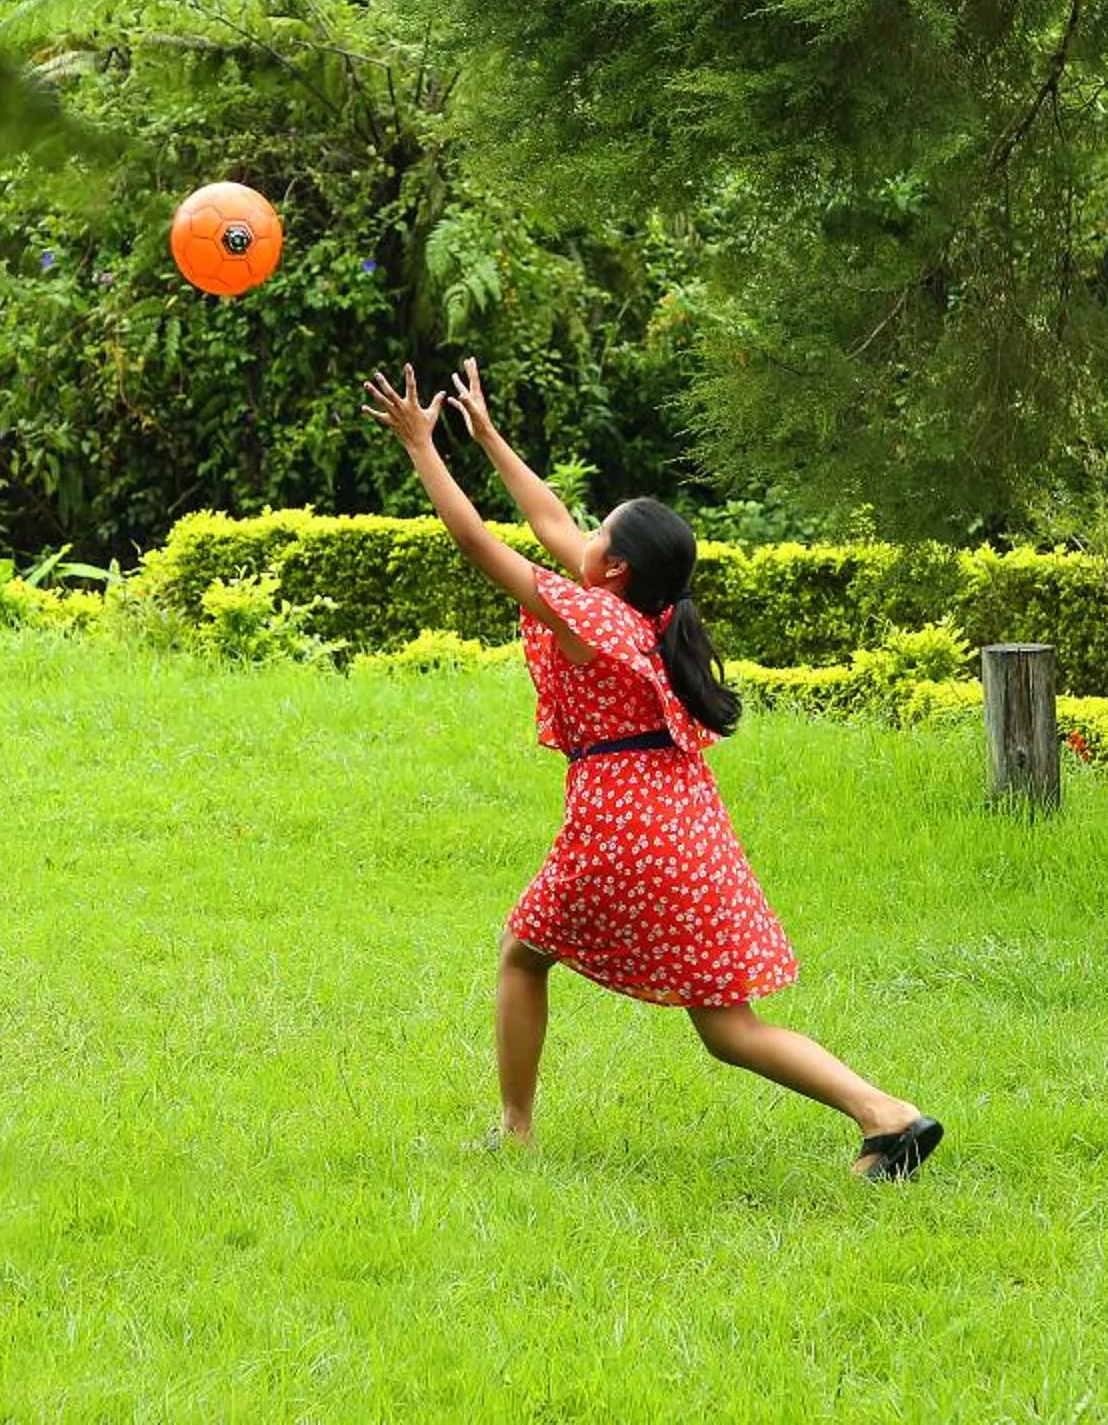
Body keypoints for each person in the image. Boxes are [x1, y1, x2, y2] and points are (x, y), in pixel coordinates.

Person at [363, 361, 941, 1179]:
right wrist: (487, 437)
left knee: (523, 952)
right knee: (729, 1028)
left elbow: (477, 543)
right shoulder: (652, 616)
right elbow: (549, 517)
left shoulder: (592, 617)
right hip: (689, 827)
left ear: (617, 568)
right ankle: (889, 1116)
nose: (583, 536)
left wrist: (422, 446)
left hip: (624, 825)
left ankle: (516, 1132)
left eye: (599, 532)